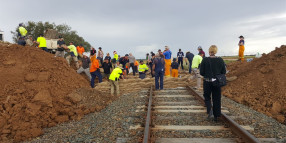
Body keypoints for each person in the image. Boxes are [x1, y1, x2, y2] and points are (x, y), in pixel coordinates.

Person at [200, 45, 226, 122]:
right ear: (216, 51)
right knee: (217, 98)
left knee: (207, 96)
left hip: (207, 81)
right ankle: (216, 116)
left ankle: (209, 111)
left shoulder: (205, 60)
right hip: (217, 82)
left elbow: (201, 72)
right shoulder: (220, 60)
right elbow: (223, 72)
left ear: (209, 51)